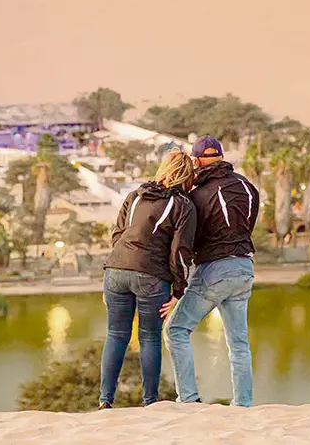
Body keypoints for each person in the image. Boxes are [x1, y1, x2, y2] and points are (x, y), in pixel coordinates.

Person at [163, 136, 259, 407]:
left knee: (177, 330)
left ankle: (189, 400)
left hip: (214, 270)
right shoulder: (247, 186)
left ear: (196, 160)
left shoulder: (195, 196)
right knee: (239, 343)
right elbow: (247, 226)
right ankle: (243, 404)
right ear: (221, 156)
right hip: (244, 267)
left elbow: (190, 240)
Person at [99, 149, 197, 410]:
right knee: (150, 338)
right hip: (151, 277)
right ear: (187, 176)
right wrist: (179, 290)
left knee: (115, 335)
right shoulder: (183, 205)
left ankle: (105, 400)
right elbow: (180, 251)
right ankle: (149, 403)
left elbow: (117, 234)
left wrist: (119, 267)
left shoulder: (135, 196)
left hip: (115, 270)